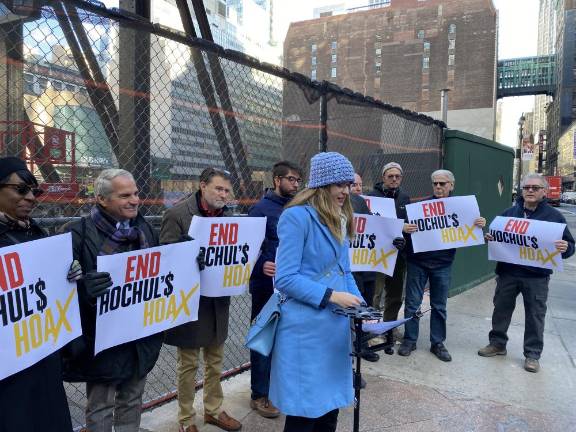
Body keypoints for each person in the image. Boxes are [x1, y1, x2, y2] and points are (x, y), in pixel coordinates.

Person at [61, 168, 163, 432]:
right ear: (102, 199)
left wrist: (188, 258)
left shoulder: (145, 229)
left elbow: (162, 272)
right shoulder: (76, 234)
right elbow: (58, 288)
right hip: (102, 340)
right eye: (124, 195)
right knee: (101, 405)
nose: (134, 200)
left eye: (136, 193)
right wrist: (84, 289)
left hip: (139, 336)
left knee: (132, 398)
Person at [270, 151, 365, 432]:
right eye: (340, 185)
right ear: (322, 185)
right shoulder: (296, 217)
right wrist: (332, 296)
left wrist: (362, 308)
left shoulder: (341, 218)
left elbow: (344, 271)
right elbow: (285, 277)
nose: (345, 192)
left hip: (334, 326)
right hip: (305, 329)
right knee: (305, 412)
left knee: (329, 410)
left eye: (348, 185)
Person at [160, 167, 242, 432]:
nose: (223, 194)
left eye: (227, 190)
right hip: (190, 300)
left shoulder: (227, 216)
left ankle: (213, 410)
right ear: (203, 186)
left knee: (216, 359)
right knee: (189, 362)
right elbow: (165, 259)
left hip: (218, 299)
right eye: (219, 188)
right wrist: (186, 254)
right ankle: (185, 418)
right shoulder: (177, 214)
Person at [0, 157, 74, 432]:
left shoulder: (37, 232)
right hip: (9, 370)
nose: (31, 198)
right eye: (21, 190)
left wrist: (71, 279)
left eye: (35, 191)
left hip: (43, 357)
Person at [478, 174, 574, 373]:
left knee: (535, 315)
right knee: (501, 309)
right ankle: (497, 344)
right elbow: (497, 237)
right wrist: (490, 238)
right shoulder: (508, 213)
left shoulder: (554, 217)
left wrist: (566, 247)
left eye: (535, 188)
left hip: (536, 277)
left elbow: (569, 246)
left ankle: (532, 354)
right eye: (527, 187)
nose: (530, 190)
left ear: (544, 192)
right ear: (522, 191)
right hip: (508, 274)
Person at [398, 169, 486, 362]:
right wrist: (404, 228)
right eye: (435, 184)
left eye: (442, 184)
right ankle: (410, 340)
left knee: (439, 305)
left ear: (451, 185)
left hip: (443, 264)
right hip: (417, 262)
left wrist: (479, 223)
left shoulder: (462, 209)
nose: (438, 187)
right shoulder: (419, 207)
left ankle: (437, 343)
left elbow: (471, 230)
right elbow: (402, 230)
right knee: (412, 303)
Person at [248, 161, 302, 418]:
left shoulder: (299, 207)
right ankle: (259, 395)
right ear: (277, 179)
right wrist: (261, 265)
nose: (295, 184)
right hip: (265, 286)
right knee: (264, 336)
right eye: (291, 179)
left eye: (298, 180)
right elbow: (246, 250)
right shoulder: (260, 209)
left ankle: (278, 388)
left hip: (291, 286)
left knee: (286, 338)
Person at [368, 162, 411, 324]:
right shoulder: (372, 197)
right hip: (377, 254)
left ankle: (389, 327)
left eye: (397, 176)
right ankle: (370, 328)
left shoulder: (405, 197)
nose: (394, 179)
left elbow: (408, 225)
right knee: (375, 293)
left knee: (395, 294)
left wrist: (404, 240)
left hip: (398, 254)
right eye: (390, 176)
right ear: (383, 177)